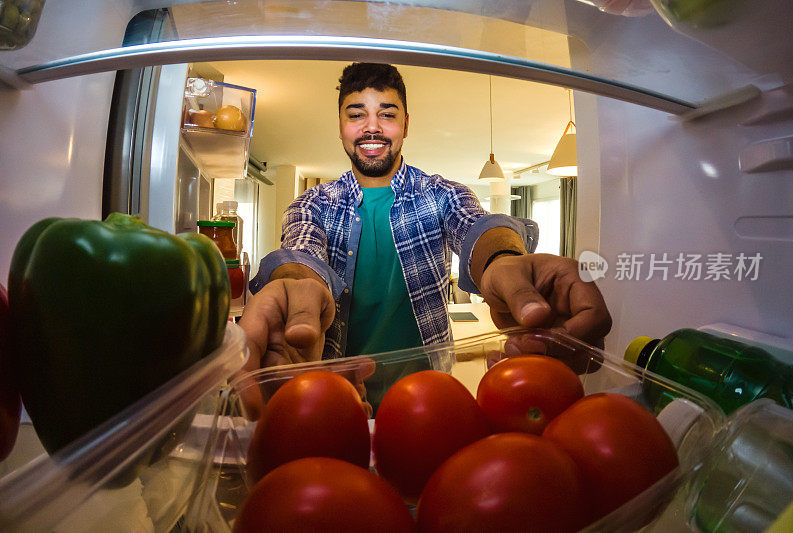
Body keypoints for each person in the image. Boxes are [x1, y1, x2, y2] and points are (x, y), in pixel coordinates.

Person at [236, 63, 611, 415]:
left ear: (405, 123)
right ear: (340, 125)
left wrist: (504, 259)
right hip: (338, 399)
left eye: (387, 113)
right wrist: (293, 283)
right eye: (356, 115)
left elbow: (477, 227)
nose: (372, 128)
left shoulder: (442, 194)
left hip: (429, 398)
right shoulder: (311, 204)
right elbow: (301, 253)